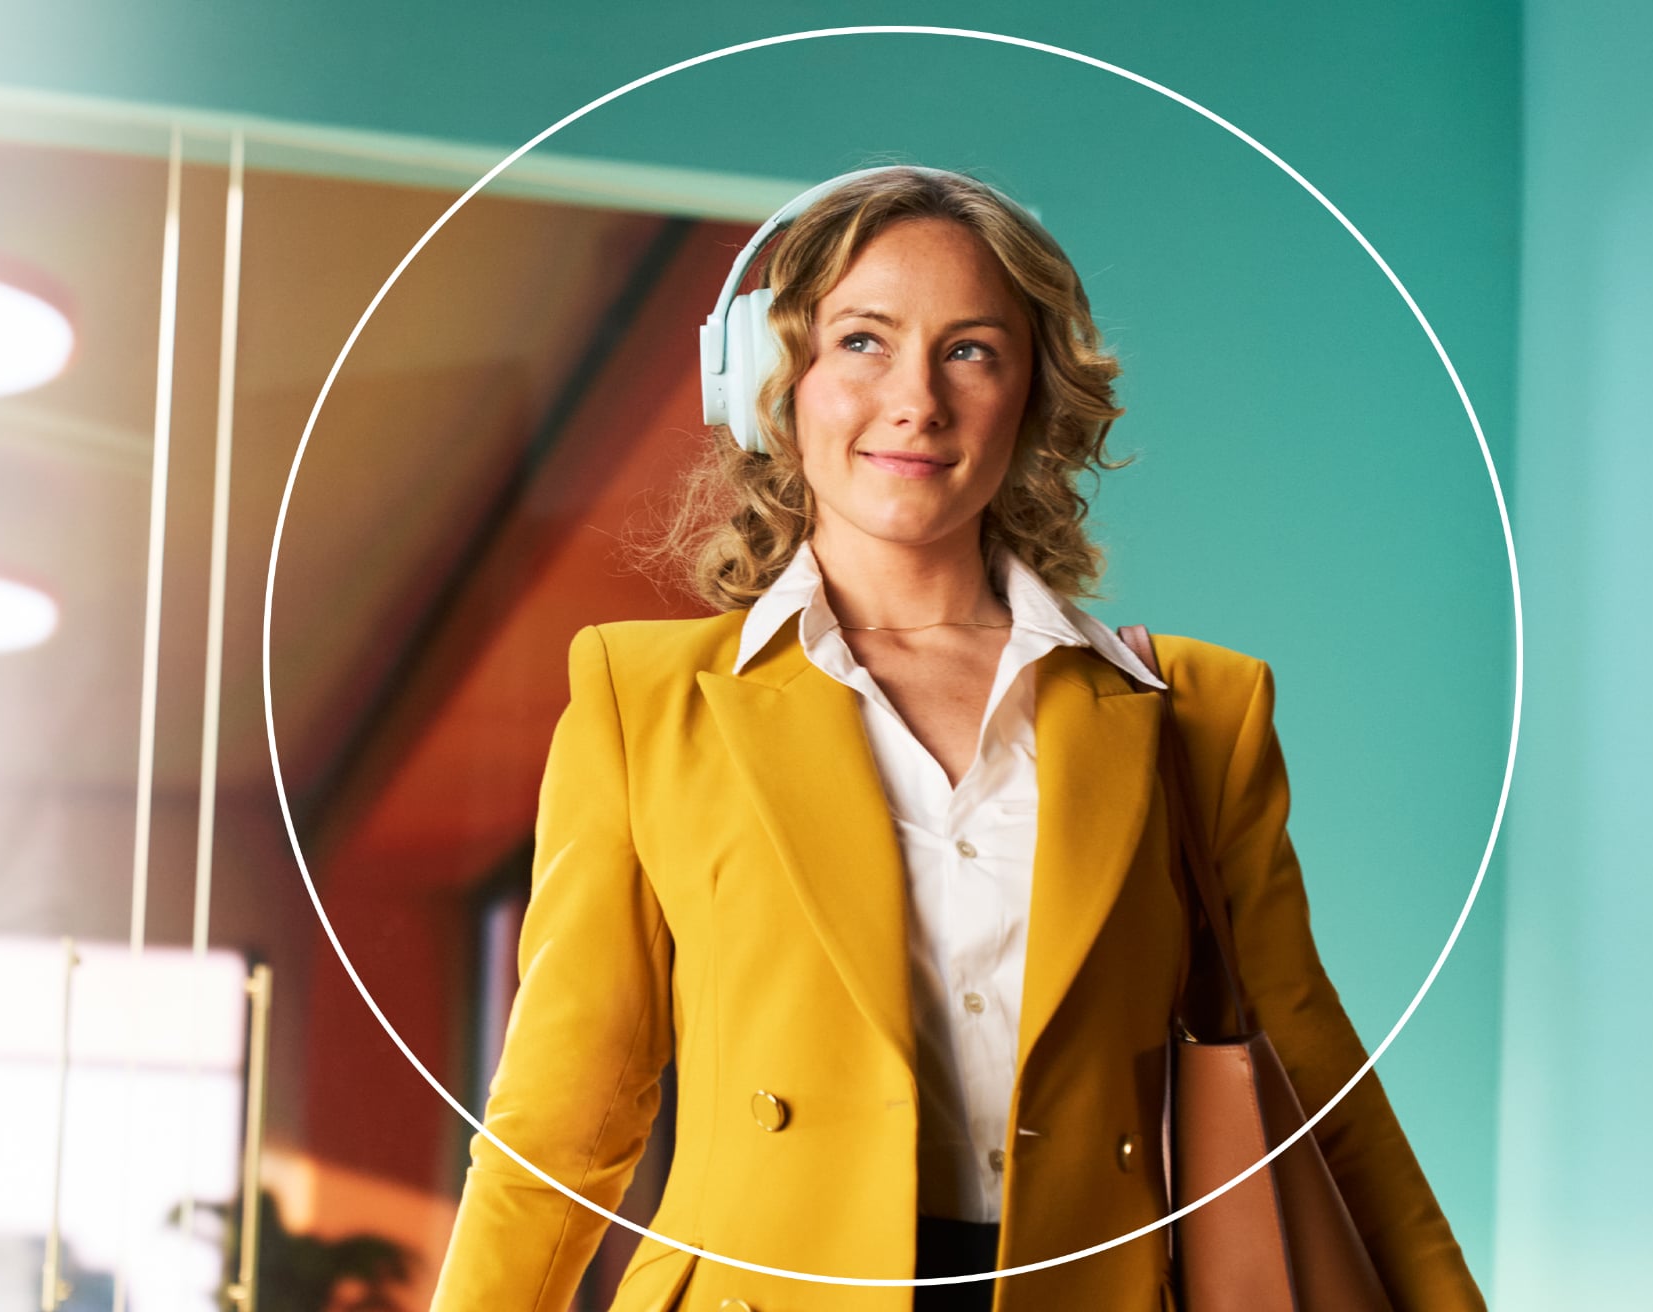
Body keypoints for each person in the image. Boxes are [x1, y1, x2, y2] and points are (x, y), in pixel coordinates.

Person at [425, 168, 1485, 1312]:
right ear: (772, 384)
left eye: (971, 350)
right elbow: (564, 1119)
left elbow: (1324, 1095)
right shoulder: (643, 703)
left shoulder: (1198, 716)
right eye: (863, 342)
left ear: (1033, 396)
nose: (916, 400)